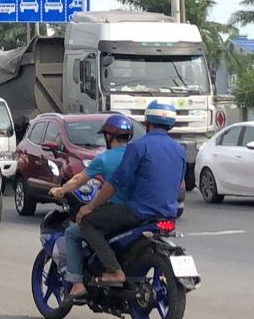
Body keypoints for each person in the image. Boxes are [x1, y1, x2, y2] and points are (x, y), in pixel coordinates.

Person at [75, 102, 185, 287]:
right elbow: (179, 183)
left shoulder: (138, 147)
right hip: (168, 213)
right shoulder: (180, 150)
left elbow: (115, 184)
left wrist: (89, 207)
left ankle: (114, 271)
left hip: (139, 212)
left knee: (88, 222)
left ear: (147, 121)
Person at [48, 114, 136, 300]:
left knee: (73, 232)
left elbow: (79, 179)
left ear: (108, 136)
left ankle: (77, 284)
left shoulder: (104, 159)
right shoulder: (137, 155)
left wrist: (60, 190)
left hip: (116, 213)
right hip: (139, 212)